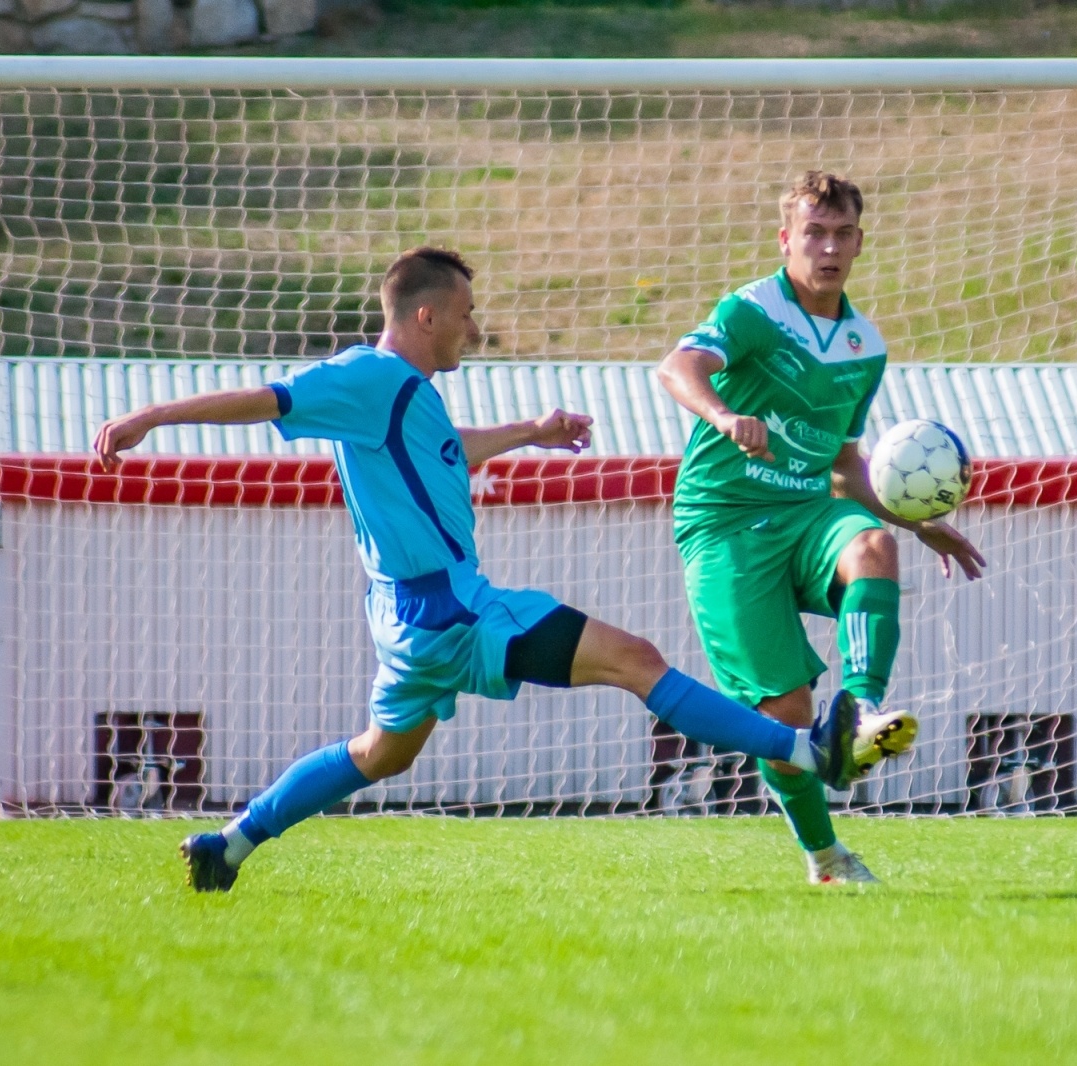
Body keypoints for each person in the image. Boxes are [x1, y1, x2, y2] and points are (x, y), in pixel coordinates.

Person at [93, 246, 910, 892]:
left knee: (380, 753)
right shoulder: (369, 375)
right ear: (425, 314)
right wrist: (149, 417)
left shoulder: (404, 395)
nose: (473, 331)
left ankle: (226, 848)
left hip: (409, 619)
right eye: (465, 316)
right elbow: (269, 398)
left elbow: (449, 453)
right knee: (637, 661)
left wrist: (533, 430)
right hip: (450, 611)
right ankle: (811, 752)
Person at [658, 172, 986, 885]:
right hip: (725, 523)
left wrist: (918, 521)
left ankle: (862, 713)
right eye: (814, 233)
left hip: (809, 511)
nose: (828, 247)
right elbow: (677, 365)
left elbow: (844, 469)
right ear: (787, 239)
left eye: (841, 234)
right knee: (784, 718)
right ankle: (826, 857)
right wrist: (721, 415)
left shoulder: (865, 344)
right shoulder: (751, 310)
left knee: (874, 542)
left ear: (860, 243)